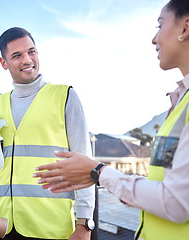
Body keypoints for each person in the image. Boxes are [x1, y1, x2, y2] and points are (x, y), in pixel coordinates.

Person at [33, 1, 189, 240]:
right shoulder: (180, 101)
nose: (154, 38)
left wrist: (99, 172)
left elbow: (177, 202)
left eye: (160, 25)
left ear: (185, 27)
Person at [0, 27, 95, 240]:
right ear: (4, 63)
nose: (27, 59)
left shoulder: (65, 96)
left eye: (32, 52)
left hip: (48, 225)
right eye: (17, 55)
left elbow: (85, 163)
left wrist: (84, 223)